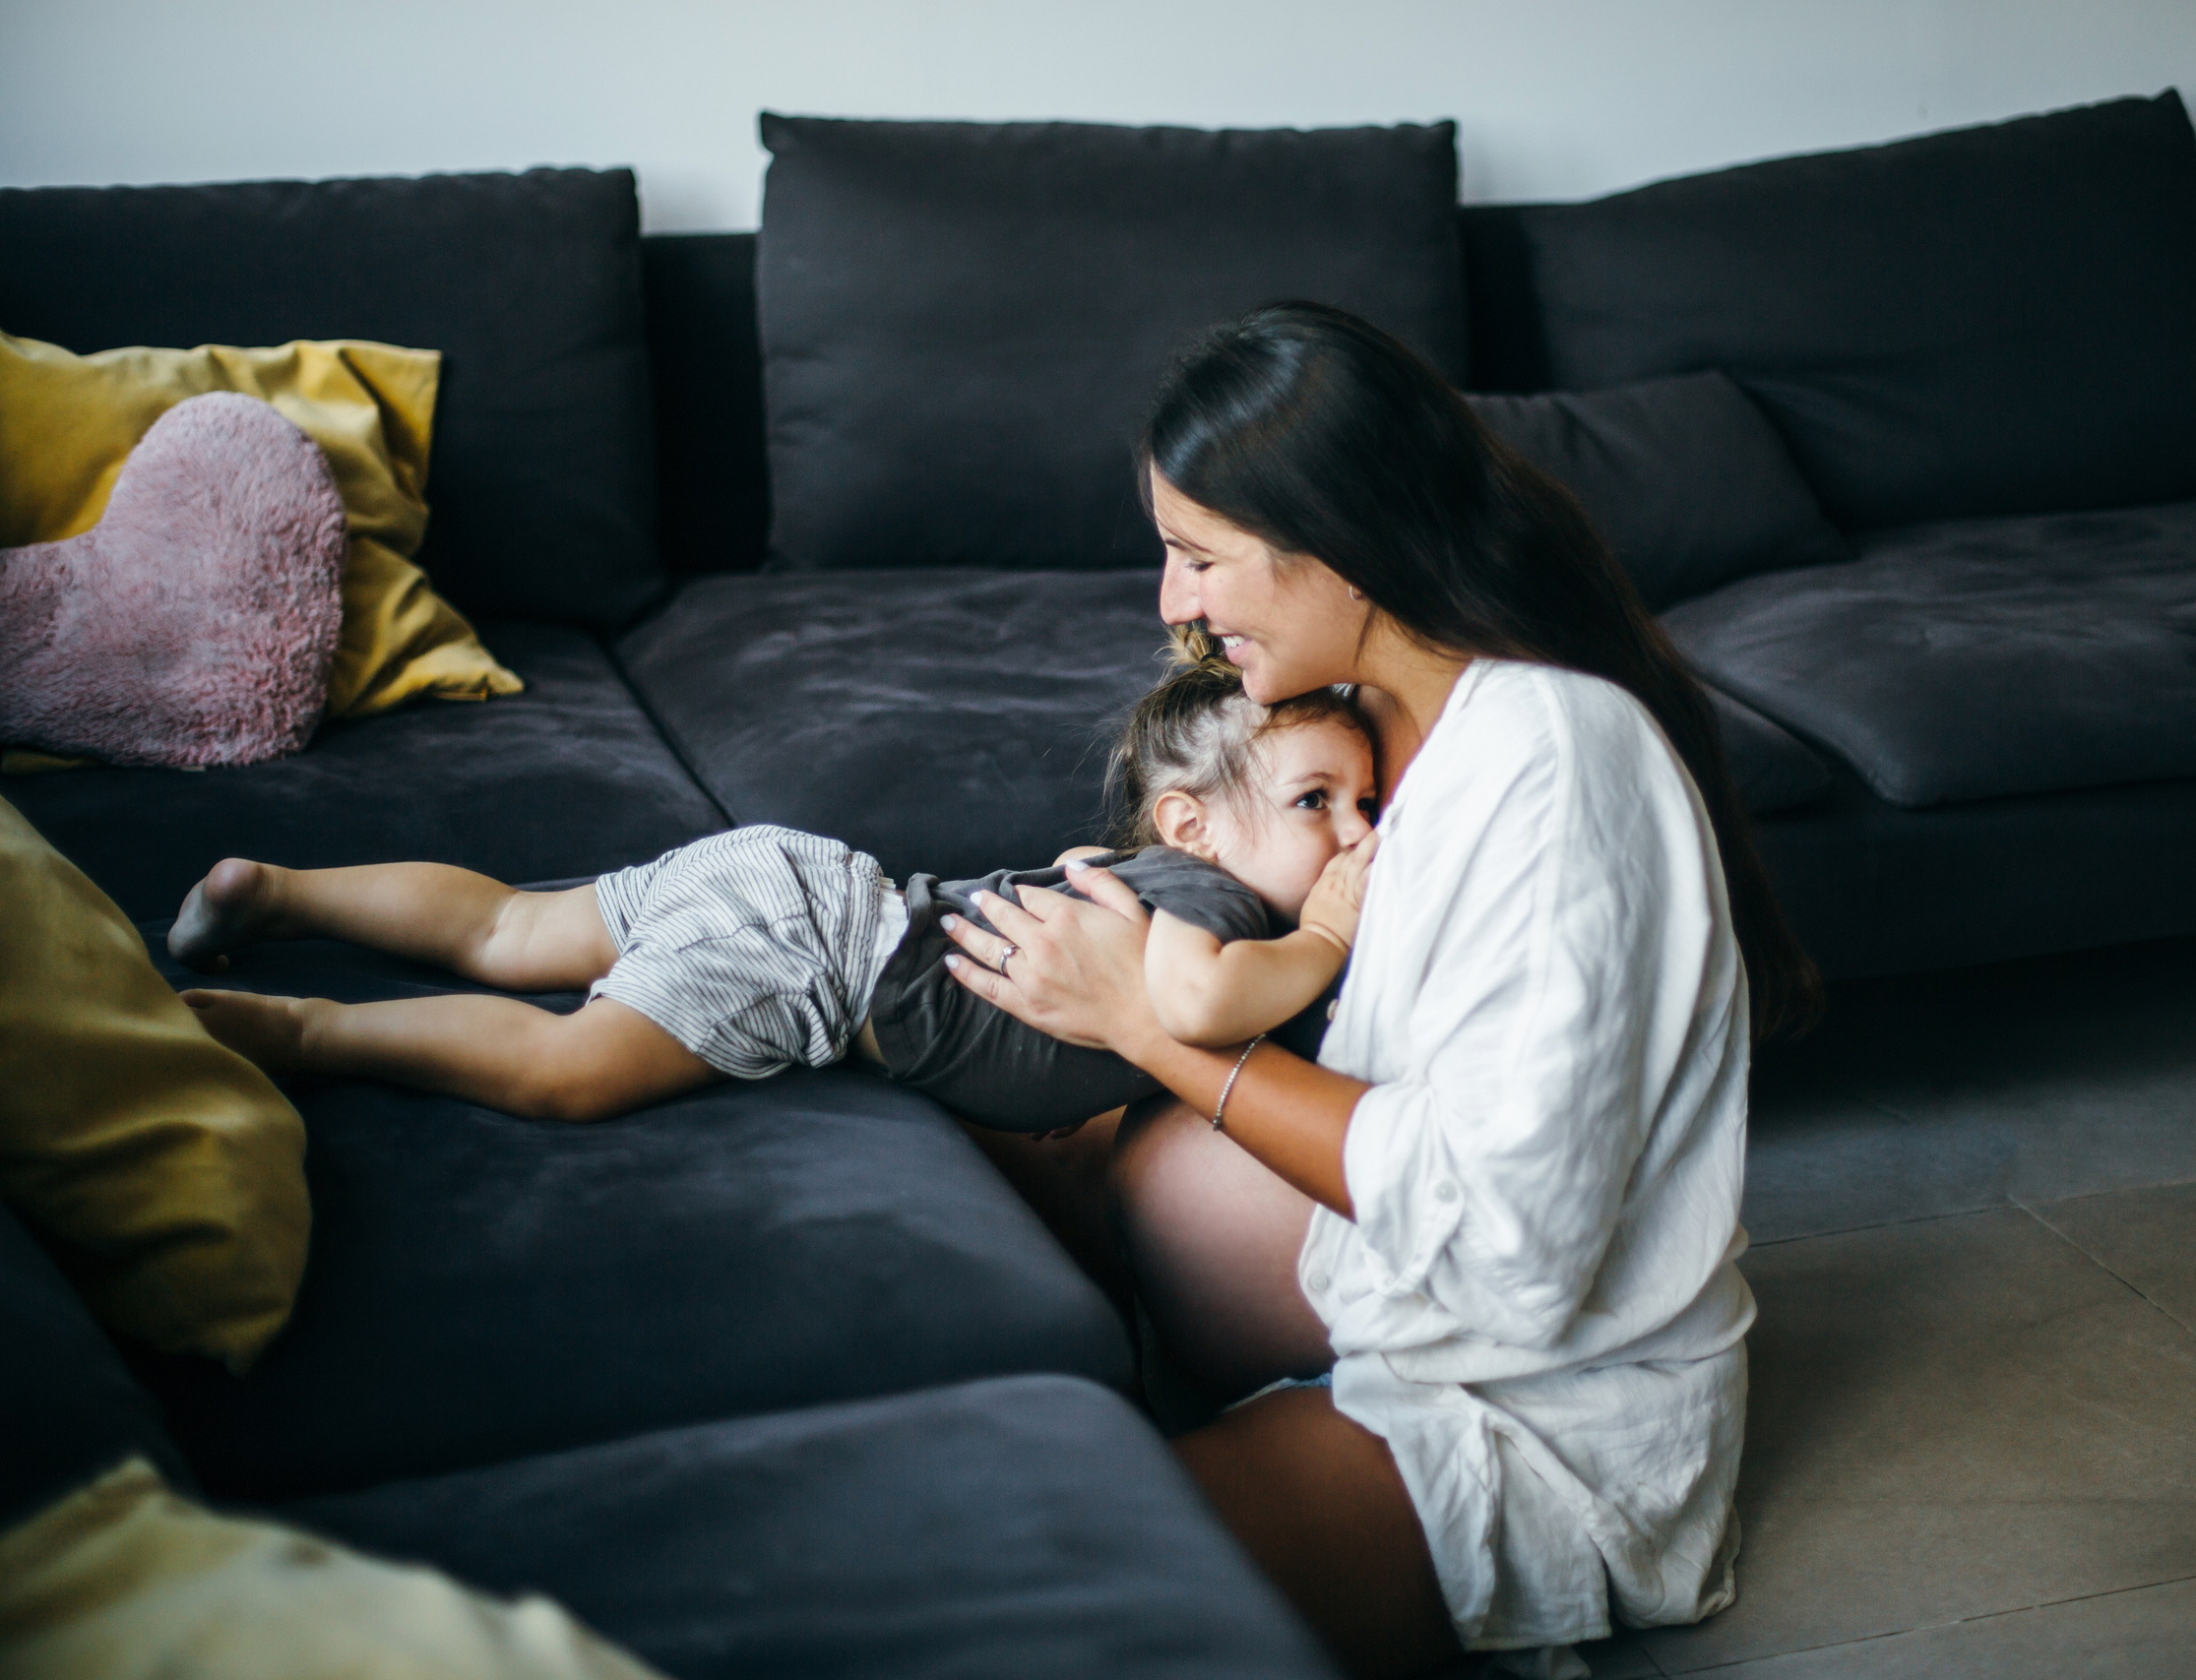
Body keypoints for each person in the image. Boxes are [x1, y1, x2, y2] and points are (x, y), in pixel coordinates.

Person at [932, 301, 1823, 1679]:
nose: (1171, 603)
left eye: (1198, 558)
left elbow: (1516, 1242)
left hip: (1530, 1399)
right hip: (1368, 1271)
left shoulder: (1550, 766)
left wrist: (1152, 1032)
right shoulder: (1368, 718)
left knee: (1065, 1583)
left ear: (1338, 541)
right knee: (954, 1105)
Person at [166, 655, 1379, 1131]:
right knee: (565, 1069)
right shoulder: (1217, 907)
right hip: (816, 963)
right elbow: (1197, 1004)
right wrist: (1324, 936)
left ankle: (277, 892)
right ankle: (308, 1033)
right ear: (1188, 824)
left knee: (505, 924)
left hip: (799, 878)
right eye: (1316, 802)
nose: (1355, 834)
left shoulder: (1150, 875)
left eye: (1369, 803)